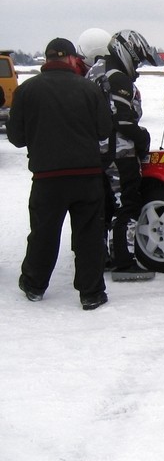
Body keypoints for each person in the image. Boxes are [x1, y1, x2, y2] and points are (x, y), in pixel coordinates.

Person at [7, 37, 112, 310]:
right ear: (71, 59)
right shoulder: (89, 89)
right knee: (89, 235)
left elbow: (16, 137)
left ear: (46, 59)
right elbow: (104, 129)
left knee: (44, 232)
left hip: (47, 177)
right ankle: (91, 293)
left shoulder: (27, 91)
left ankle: (33, 284)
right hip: (87, 175)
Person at [86, 30, 157, 282]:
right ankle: (125, 261)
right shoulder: (117, 79)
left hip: (96, 152)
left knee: (104, 207)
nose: (136, 66)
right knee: (126, 205)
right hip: (119, 153)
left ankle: (102, 255)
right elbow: (123, 120)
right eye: (136, 60)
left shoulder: (94, 72)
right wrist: (143, 138)